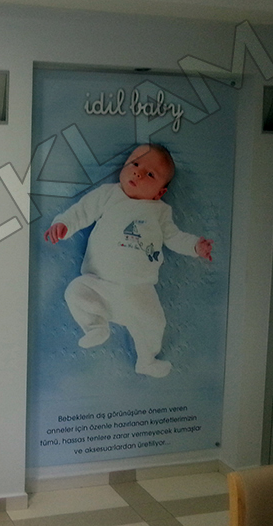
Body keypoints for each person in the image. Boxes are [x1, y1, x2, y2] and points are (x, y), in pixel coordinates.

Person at [44, 143, 212, 378]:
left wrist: (195, 246)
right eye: (135, 164)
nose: (138, 173)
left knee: (154, 322)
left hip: (139, 290)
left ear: (160, 193)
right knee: (75, 290)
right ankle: (95, 326)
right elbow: (82, 211)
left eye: (150, 174)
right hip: (98, 283)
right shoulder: (108, 194)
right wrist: (64, 224)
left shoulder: (160, 211)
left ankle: (146, 360)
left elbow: (174, 237)